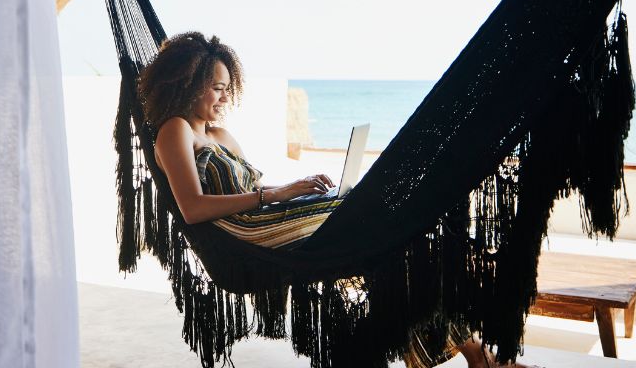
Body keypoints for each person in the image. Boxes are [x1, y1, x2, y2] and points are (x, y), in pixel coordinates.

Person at [140, 31, 528, 368]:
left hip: (269, 221)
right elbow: (192, 208)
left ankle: (473, 355)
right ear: (189, 84)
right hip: (247, 238)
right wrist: (277, 194)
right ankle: (477, 358)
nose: (226, 97)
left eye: (228, 87)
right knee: (387, 226)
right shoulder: (175, 130)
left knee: (401, 250)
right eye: (217, 88)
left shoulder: (220, 135)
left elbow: (256, 191)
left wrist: (294, 189)